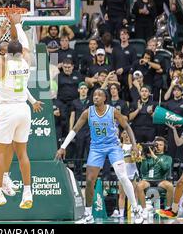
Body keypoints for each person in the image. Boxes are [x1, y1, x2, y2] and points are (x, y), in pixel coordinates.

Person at [55, 88, 144, 224]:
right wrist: (63, 147)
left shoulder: (113, 111)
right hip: (96, 148)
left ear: (105, 99)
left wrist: (134, 145)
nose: (96, 97)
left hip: (113, 146)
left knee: (123, 177)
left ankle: (137, 211)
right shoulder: (87, 112)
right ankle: (88, 214)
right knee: (90, 180)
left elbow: (127, 127)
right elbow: (75, 129)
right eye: (94, 95)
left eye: (99, 95)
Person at [0, 14, 43, 211]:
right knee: (22, 153)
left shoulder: (3, 64)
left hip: (8, 109)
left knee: (0, 153)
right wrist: (16, 24)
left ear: (7, 53)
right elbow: (22, 43)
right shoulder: (26, 61)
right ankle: (28, 192)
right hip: (23, 110)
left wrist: (2, 31)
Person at [136, 137, 173, 216]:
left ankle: (168, 209)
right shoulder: (148, 156)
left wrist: (155, 157)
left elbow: (165, 168)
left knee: (170, 186)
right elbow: (143, 171)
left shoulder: (167, 157)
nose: (158, 146)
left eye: (161, 145)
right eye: (156, 145)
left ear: (164, 147)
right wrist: (145, 158)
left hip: (160, 180)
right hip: (147, 180)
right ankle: (144, 209)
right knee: (139, 186)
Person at [111, 130, 139, 219]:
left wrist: (135, 154)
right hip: (122, 172)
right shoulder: (119, 146)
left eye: (128, 133)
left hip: (132, 171)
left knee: (134, 193)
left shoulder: (135, 146)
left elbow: (138, 159)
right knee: (122, 194)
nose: (126, 135)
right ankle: (121, 214)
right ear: (121, 135)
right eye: (124, 133)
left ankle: (135, 211)